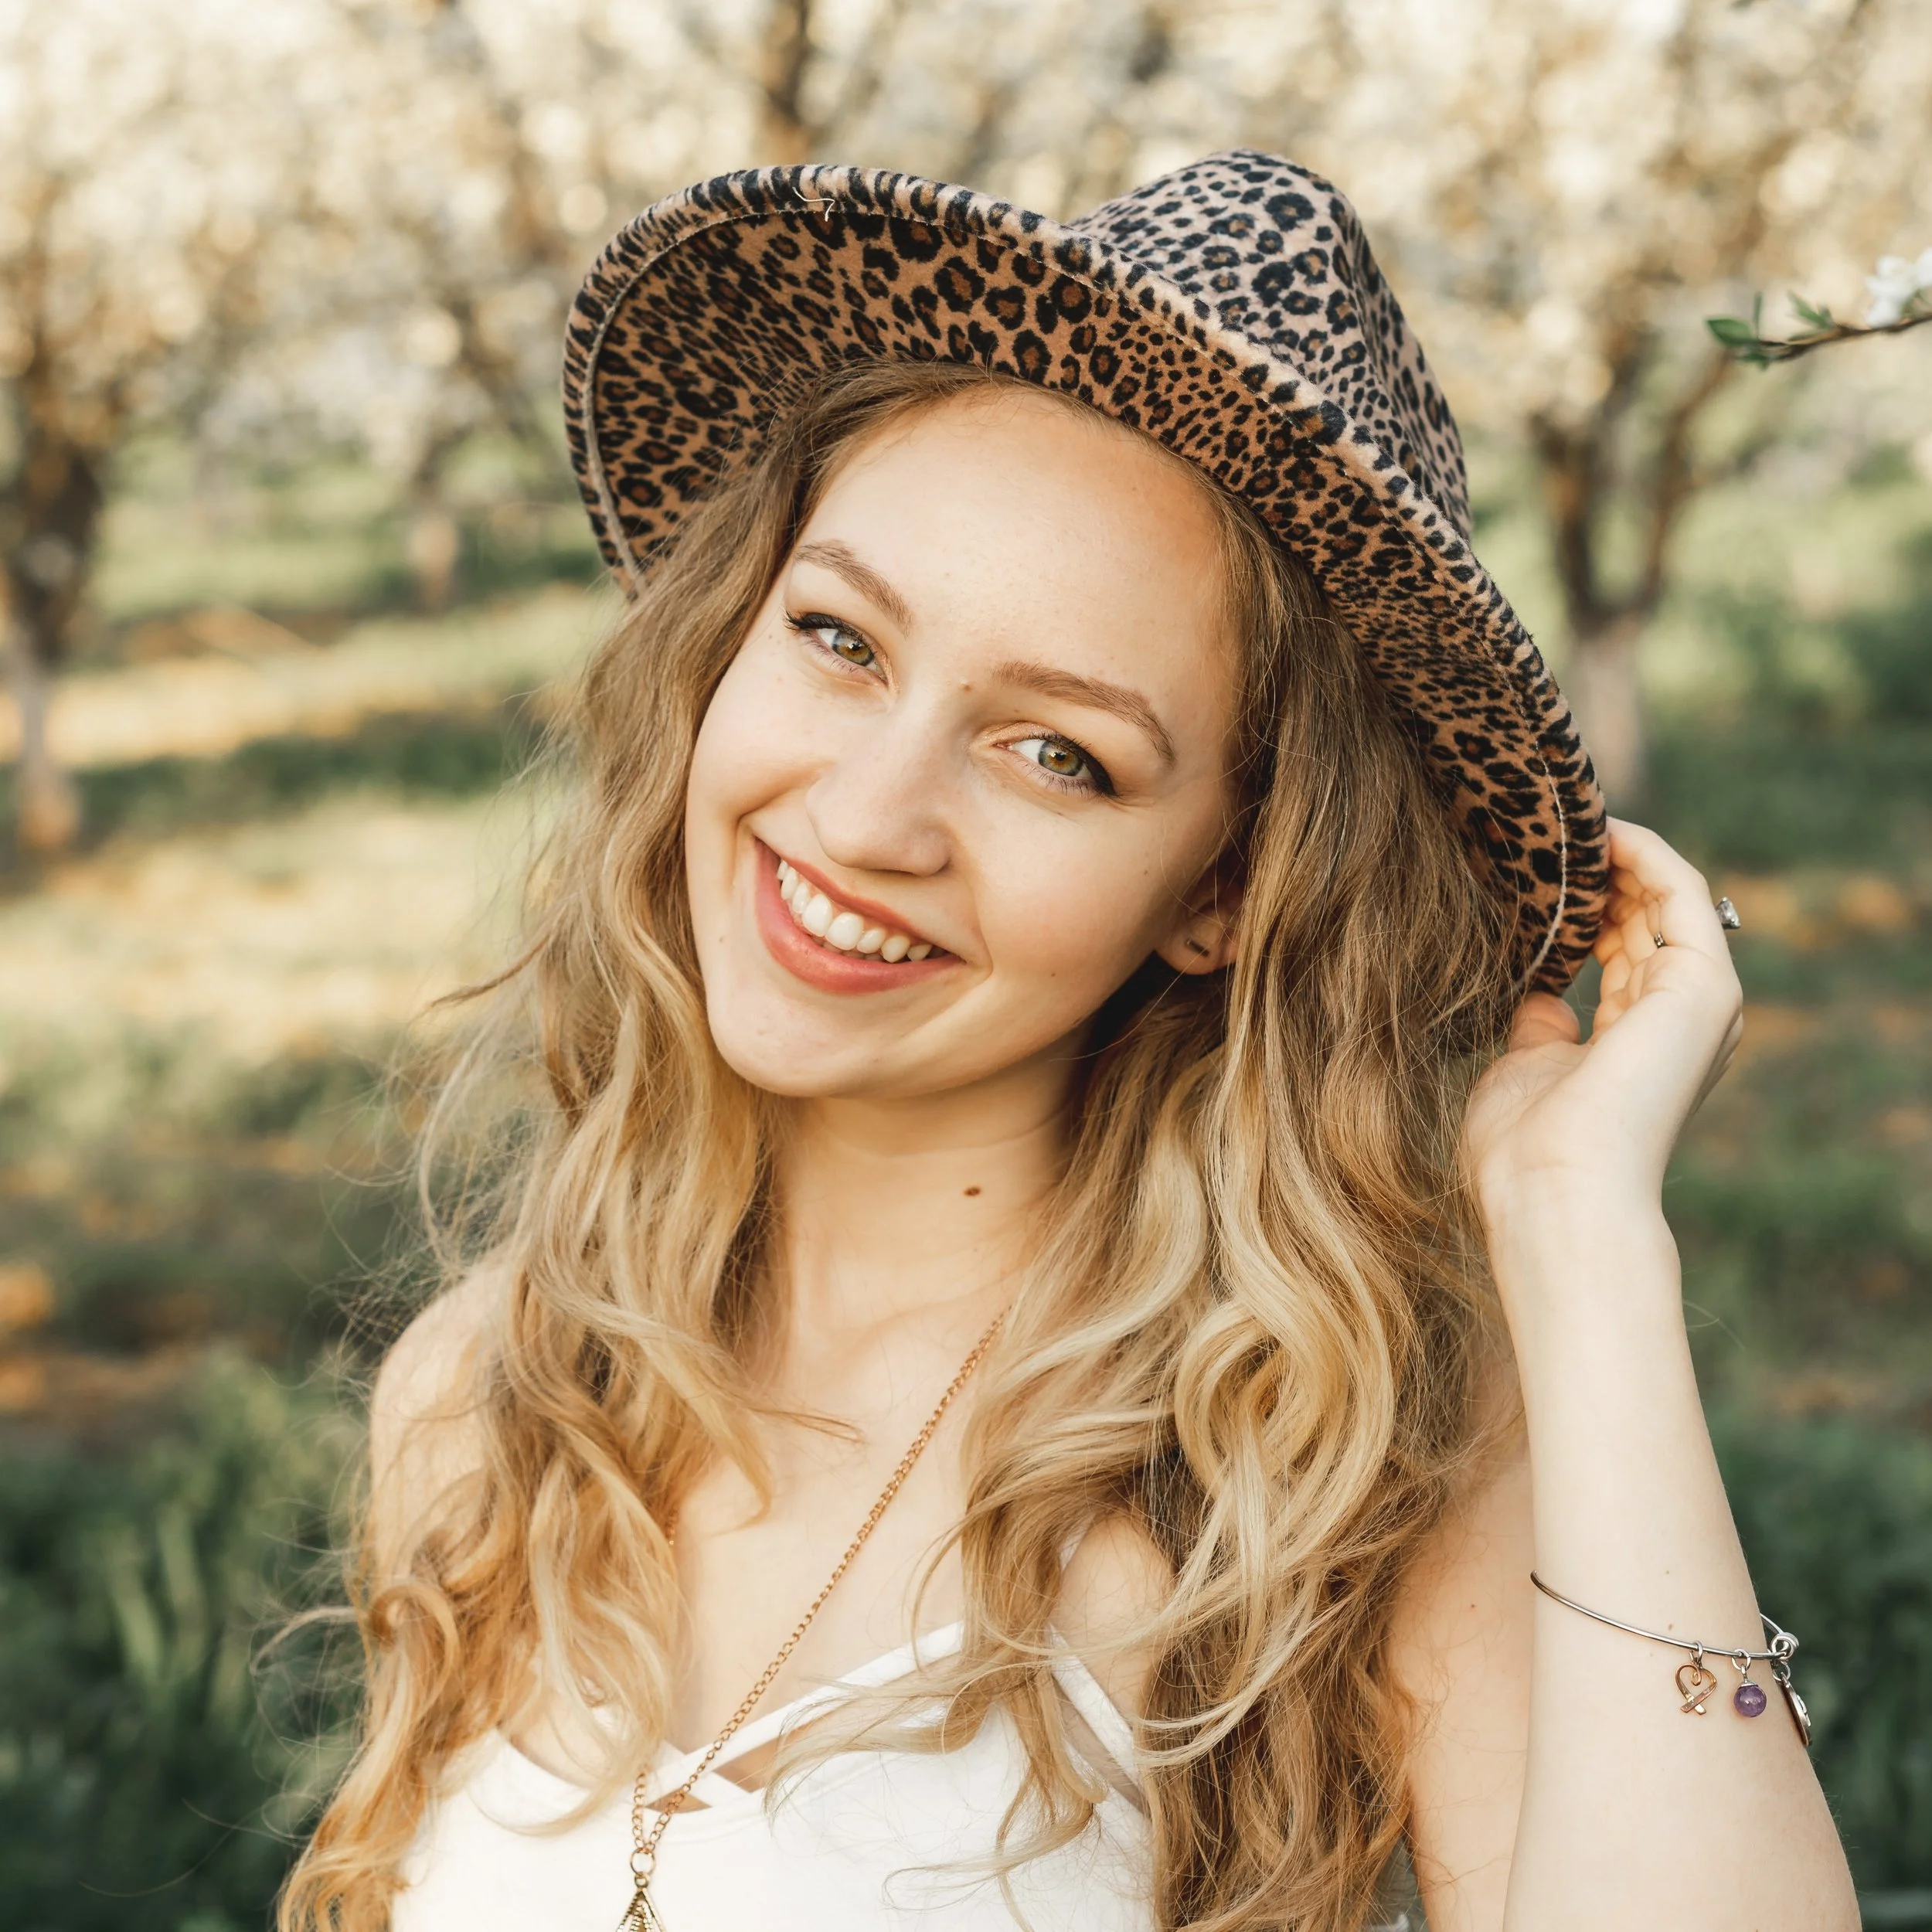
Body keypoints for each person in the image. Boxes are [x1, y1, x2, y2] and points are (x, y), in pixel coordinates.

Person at [281, 154, 1858, 1932]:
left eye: (1057, 754)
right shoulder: (494, 1391)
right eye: (837, 637)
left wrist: (1581, 1242)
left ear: (1220, 888)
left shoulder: (1328, 1462)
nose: (868, 815)